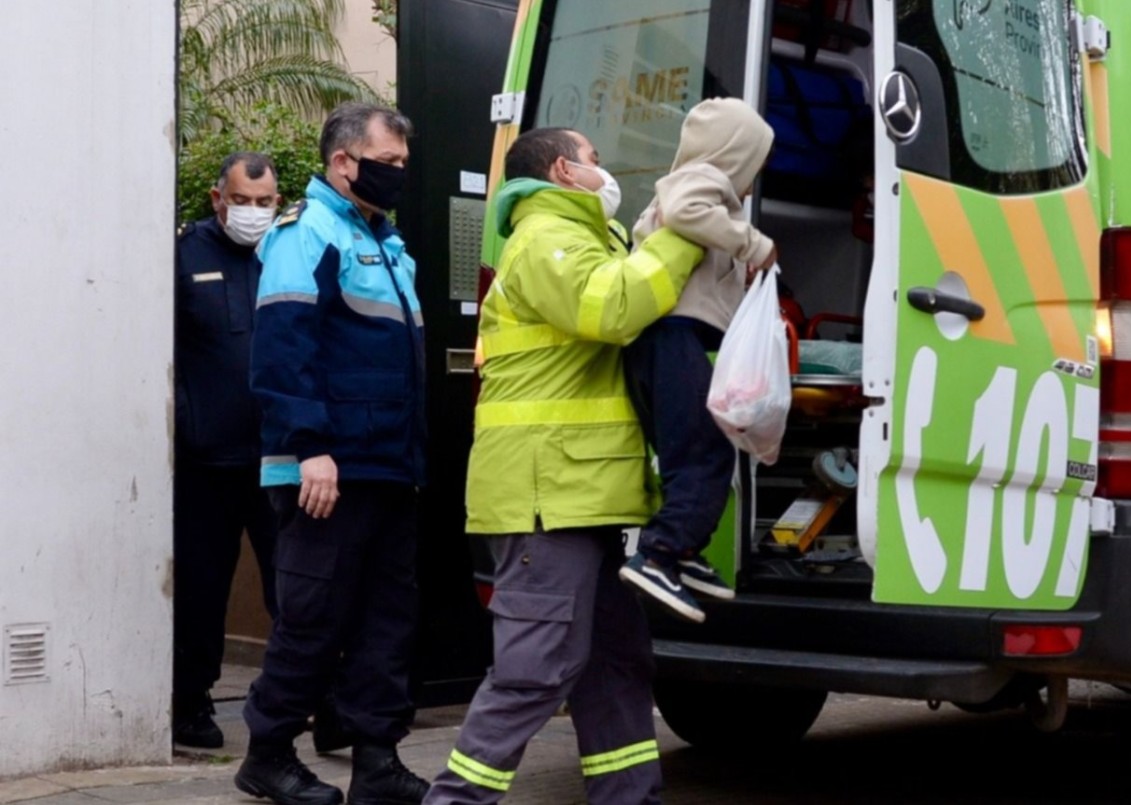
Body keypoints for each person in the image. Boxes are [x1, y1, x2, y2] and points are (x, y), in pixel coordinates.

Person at [423, 127, 704, 805]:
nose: (604, 172)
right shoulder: (545, 236)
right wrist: (689, 231)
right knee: (535, 670)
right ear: (562, 169)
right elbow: (612, 306)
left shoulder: (579, 238)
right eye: (595, 160)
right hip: (544, 496)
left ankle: (630, 797)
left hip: (581, 494)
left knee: (613, 665)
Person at [234, 102, 429, 805]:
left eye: (404, 163)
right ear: (344, 161)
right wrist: (309, 446)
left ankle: (377, 756)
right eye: (391, 160)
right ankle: (268, 752)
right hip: (327, 470)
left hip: (385, 465)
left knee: (386, 620)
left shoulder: (385, 242)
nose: (399, 174)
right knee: (312, 618)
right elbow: (284, 351)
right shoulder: (306, 232)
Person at [618, 98, 778, 623]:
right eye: (754, 163)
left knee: (694, 450)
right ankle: (660, 554)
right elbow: (686, 210)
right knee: (705, 451)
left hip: (665, 342)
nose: (754, 179)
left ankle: (682, 553)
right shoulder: (700, 179)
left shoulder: (700, 188)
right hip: (670, 339)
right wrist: (754, 244)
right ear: (735, 156)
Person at [173, 152, 282, 748]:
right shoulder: (185, 253)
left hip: (276, 458)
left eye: (264, 203)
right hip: (205, 461)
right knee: (201, 588)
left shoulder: (285, 253)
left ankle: (302, 704)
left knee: (291, 588)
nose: (253, 213)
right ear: (219, 199)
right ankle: (191, 704)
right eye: (242, 201)